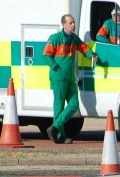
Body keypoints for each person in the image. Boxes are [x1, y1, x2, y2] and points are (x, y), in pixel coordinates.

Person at [42, 14, 98, 144]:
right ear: (64, 24)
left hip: (70, 77)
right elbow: (46, 55)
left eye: (74, 22)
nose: (74, 25)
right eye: (71, 23)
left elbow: (84, 47)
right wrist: (55, 67)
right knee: (59, 105)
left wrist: (92, 55)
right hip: (58, 77)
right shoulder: (55, 38)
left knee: (74, 105)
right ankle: (60, 135)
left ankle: (54, 128)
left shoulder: (74, 39)